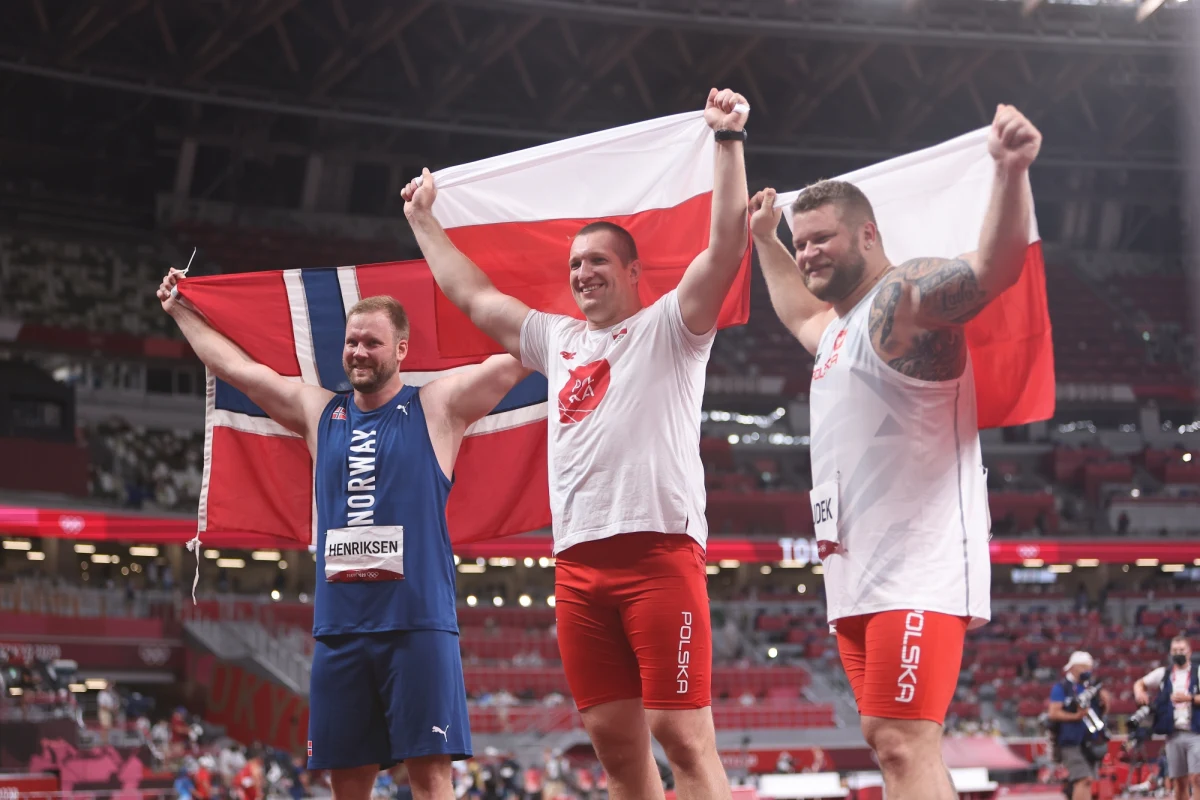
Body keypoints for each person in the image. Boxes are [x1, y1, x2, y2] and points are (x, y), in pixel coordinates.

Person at [401, 88, 751, 800]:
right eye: (574, 266)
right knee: (616, 750)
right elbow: (473, 298)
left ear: (632, 271)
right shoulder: (557, 339)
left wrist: (727, 141)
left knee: (683, 737)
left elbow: (725, 247)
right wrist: (423, 222)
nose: (582, 273)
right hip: (577, 567)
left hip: (658, 552)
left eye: (597, 261)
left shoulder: (671, 327)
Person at [751, 104, 1042, 800]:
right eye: (803, 241)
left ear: (868, 234)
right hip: (856, 569)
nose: (810, 252)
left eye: (821, 239)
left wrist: (1010, 172)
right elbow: (795, 309)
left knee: (901, 742)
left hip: (918, 564)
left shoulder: (898, 303)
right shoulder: (840, 329)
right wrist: (767, 239)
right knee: (895, 745)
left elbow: (992, 270)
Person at [157, 271, 529, 800]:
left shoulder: (437, 406)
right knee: (347, 781)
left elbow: (518, 356)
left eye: (372, 342)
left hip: (417, 624)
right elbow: (235, 368)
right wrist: (180, 310)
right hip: (340, 631)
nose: (359, 352)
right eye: (352, 342)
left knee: (429, 776)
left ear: (401, 348)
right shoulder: (319, 412)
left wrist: (569, 305)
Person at [1133, 635, 1200, 800]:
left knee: (1197, 779)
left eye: (1182, 650)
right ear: (1170, 652)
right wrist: (1139, 692)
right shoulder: (1164, 673)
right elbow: (1139, 683)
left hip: (1196, 733)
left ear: (1189, 652)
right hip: (1173, 733)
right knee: (1179, 781)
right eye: (1175, 650)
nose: (1179, 653)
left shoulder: (1198, 672)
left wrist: (1189, 699)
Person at [1048, 651, 1110, 800]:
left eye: (1089, 668)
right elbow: (1054, 713)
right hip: (1070, 740)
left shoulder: (1091, 687)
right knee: (1083, 778)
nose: (1087, 672)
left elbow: (1103, 711)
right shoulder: (1062, 687)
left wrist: (1105, 700)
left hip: (1090, 740)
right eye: (1083, 668)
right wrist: (1075, 716)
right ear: (1073, 668)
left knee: (1087, 781)